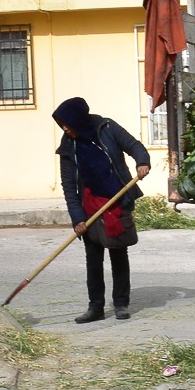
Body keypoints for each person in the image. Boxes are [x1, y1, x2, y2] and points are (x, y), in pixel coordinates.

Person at [53, 97, 150, 323]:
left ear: (78, 119)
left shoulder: (106, 128)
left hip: (116, 201)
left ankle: (121, 304)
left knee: (118, 253)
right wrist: (77, 218)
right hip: (90, 207)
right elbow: (69, 186)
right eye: (62, 124)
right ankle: (95, 307)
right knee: (93, 258)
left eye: (67, 123)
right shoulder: (69, 146)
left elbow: (134, 145)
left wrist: (142, 161)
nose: (65, 128)